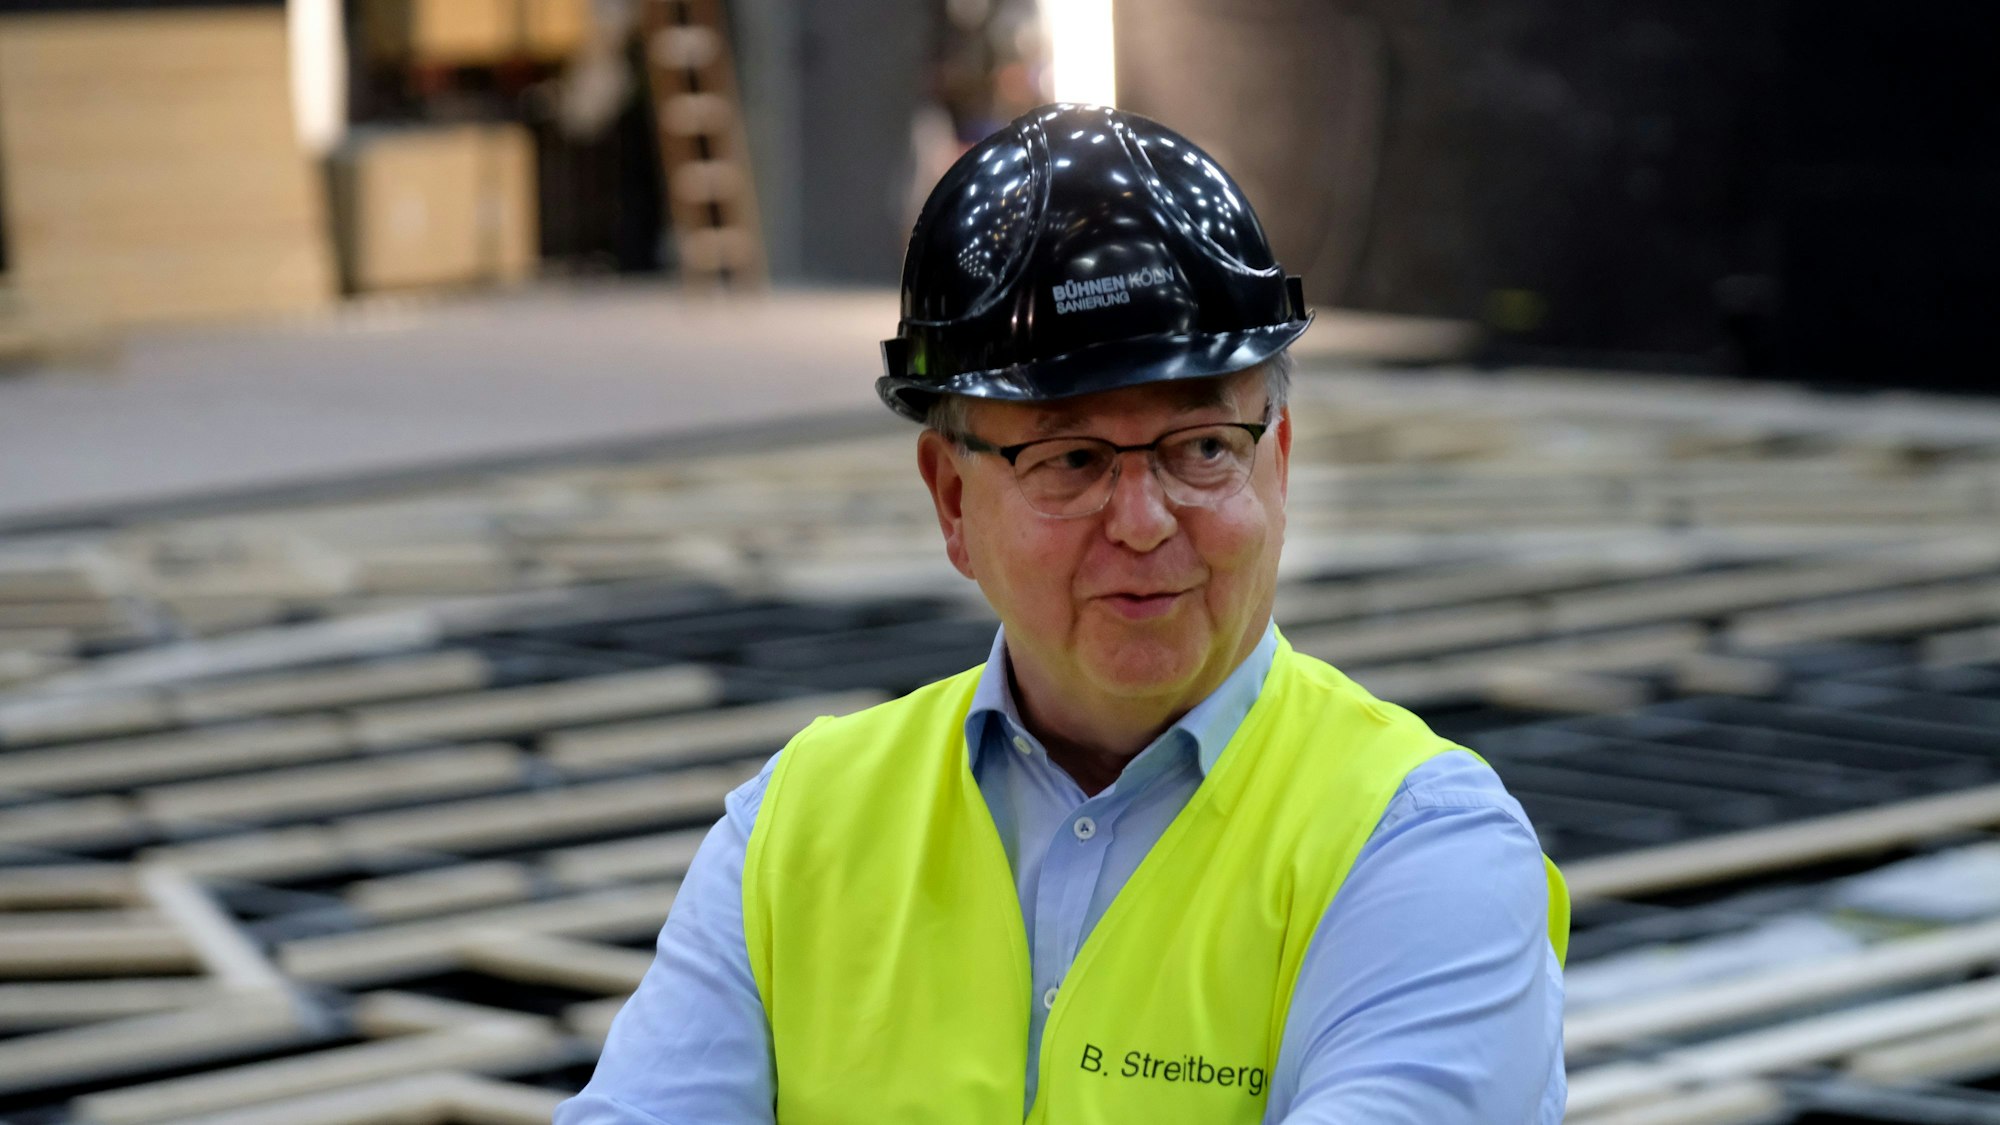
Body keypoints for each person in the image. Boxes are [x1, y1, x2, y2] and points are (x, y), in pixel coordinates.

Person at [556, 103, 1568, 1124]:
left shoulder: (1415, 848)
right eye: (1069, 460)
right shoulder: (792, 835)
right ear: (952, 501)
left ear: (1279, 464)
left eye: (1202, 448)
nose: (1140, 520)